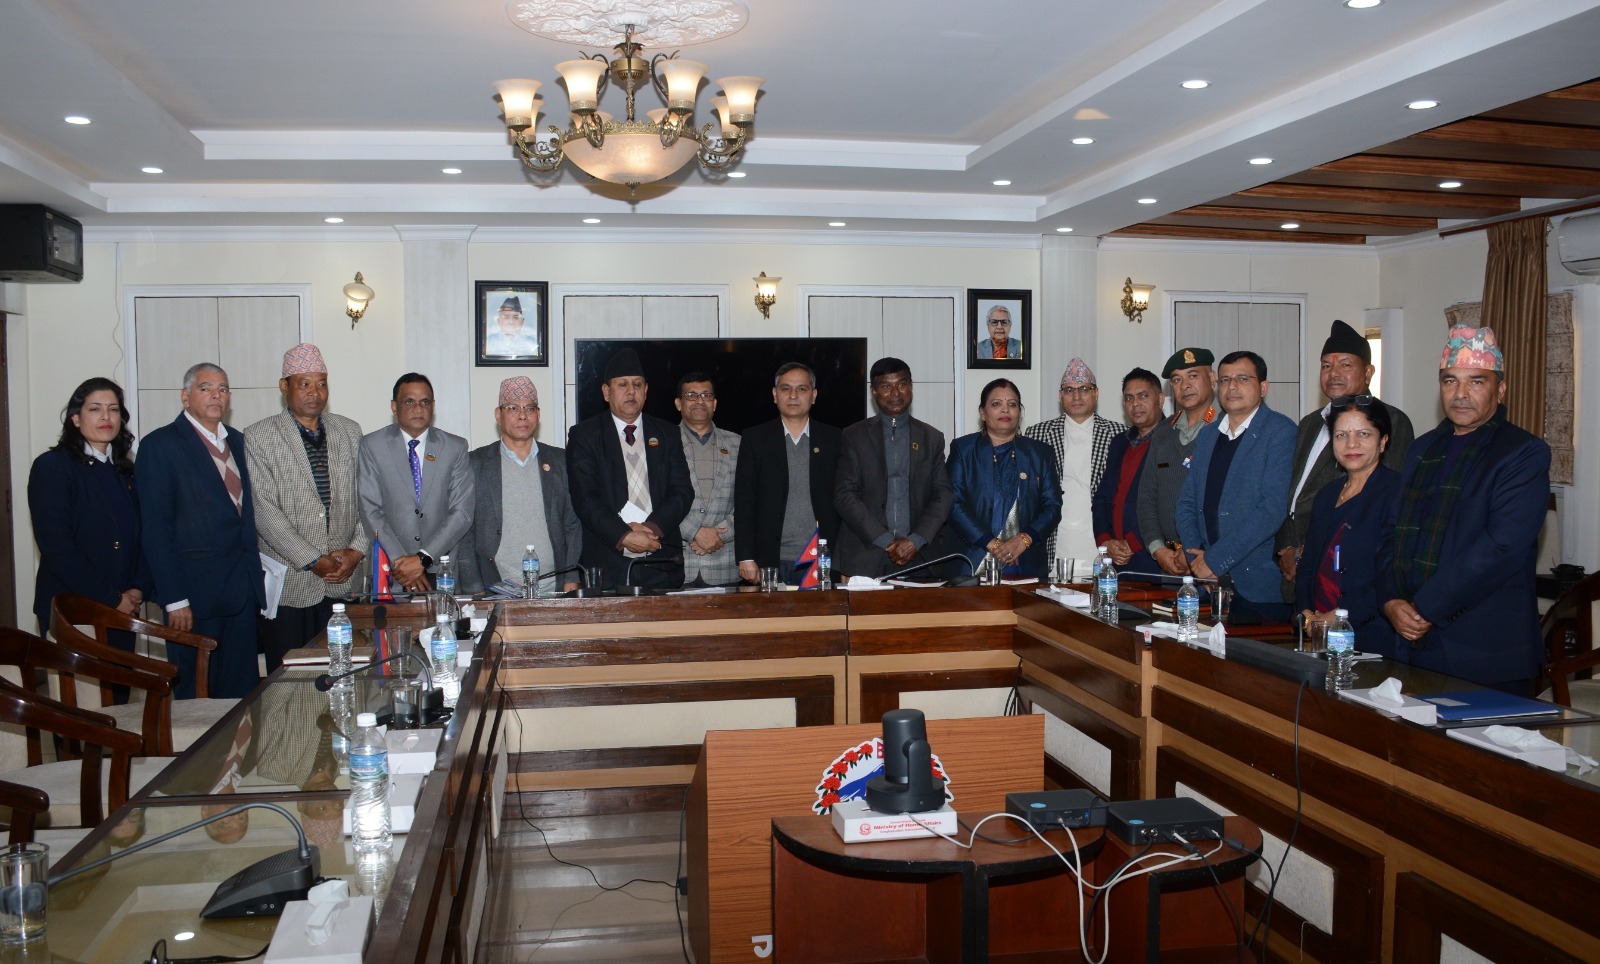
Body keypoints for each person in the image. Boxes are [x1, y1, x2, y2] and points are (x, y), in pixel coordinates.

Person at [1379, 326, 1551, 693]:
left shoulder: (1523, 453)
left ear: (1500, 390)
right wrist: (1391, 599)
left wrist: (1425, 606)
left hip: (1483, 650)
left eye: (1476, 382)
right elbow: (1391, 530)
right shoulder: (1422, 449)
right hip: (1410, 640)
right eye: (1450, 381)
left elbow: (1501, 547)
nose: (1460, 394)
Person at [136, 363, 265, 699]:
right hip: (192, 599)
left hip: (241, 592)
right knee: (196, 702)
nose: (215, 395)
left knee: (241, 699)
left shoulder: (238, 441)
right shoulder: (160, 445)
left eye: (222, 389)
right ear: (185, 396)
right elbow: (156, 529)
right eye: (205, 388)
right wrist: (174, 599)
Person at [244, 344, 366, 671]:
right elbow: (264, 512)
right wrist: (313, 560)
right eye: (305, 384)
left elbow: (368, 501)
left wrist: (355, 551)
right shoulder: (259, 436)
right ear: (284, 386)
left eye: (322, 383)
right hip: (290, 584)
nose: (315, 392)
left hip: (343, 580)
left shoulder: (350, 431)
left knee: (344, 673)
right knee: (289, 680)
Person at [1276, 320, 1413, 594]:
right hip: (1297, 572)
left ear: (1368, 372)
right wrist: (1286, 548)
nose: (1334, 373)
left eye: (1345, 365)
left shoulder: (1391, 421)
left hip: (1347, 571)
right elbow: (1292, 495)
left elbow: (1381, 502)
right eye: (1326, 366)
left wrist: (1311, 552)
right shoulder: (1310, 423)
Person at [28, 377, 152, 674]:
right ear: (75, 418)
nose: (106, 417)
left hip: (124, 610)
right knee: (81, 698)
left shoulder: (126, 471)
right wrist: (112, 598)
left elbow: (144, 536)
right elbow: (57, 547)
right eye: (95, 409)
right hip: (74, 609)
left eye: (113, 409)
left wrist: (137, 588)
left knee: (119, 694)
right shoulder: (53, 467)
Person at [1175, 351, 1297, 622]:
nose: (1232, 386)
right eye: (1225, 380)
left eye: (1243, 379)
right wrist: (1198, 559)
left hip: (1256, 588)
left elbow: (1272, 509)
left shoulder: (1280, 432)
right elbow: (1186, 503)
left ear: (1263, 387)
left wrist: (1215, 560)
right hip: (1208, 583)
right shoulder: (1208, 435)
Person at [566, 348, 695, 590]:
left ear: (646, 390)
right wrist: (624, 535)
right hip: (608, 564)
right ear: (606, 392)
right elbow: (585, 498)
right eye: (622, 384)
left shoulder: (667, 433)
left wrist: (650, 530)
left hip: (661, 559)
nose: (631, 391)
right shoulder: (585, 435)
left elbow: (682, 491)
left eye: (637, 384)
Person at [1295, 396, 1402, 658]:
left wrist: (1341, 615)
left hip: (1372, 634)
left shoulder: (1397, 492)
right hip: (1320, 632)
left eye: (1363, 434)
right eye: (1341, 435)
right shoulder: (1326, 495)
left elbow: (1393, 573)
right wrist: (1306, 614)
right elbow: (1309, 563)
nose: (1351, 444)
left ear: (1383, 441)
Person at [457, 377, 582, 594]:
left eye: (529, 408)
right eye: (513, 408)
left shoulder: (560, 461)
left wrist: (572, 576)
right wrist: (473, 587)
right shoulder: (476, 463)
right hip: (494, 589)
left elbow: (572, 524)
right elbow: (465, 531)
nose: (522, 415)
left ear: (538, 415)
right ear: (498, 415)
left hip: (554, 588)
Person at [834, 358, 952, 579]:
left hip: (920, 557)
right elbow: (844, 495)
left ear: (911, 387)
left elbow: (942, 495)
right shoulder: (854, 436)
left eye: (902, 384)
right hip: (865, 556)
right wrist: (886, 540)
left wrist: (915, 540)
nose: (895, 393)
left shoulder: (931, 438)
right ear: (874, 392)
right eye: (886, 386)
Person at [357, 373, 474, 594]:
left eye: (425, 402)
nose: (418, 409)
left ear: (433, 406)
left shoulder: (455, 447)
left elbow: (462, 512)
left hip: (440, 569)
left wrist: (422, 558)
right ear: (394, 406)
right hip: (391, 569)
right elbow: (370, 510)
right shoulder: (372, 446)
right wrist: (402, 562)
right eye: (409, 402)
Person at [735, 363, 843, 585]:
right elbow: (745, 500)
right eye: (786, 389)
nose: (793, 395)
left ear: (814, 395)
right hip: (769, 558)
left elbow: (845, 500)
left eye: (802, 389)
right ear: (775, 395)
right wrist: (745, 557)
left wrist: (846, 561)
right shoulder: (755, 439)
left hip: (821, 558)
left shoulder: (835, 439)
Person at [946, 379, 1061, 579]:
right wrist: (991, 543)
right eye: (996, 404)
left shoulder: (1041, 453)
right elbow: (953, 503)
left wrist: (1024, 539)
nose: (1005, 410)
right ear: (983, 412)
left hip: (1025, 562)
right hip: (974, 560)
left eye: (1012, 404)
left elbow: (1052, 505)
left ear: (1020, 412)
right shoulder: (963, 449)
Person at [1024, 358, 1123, 578]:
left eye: (1084, 389)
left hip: (1102, 546)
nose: (1076, 396)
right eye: (1069, 390)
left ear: (1096, 394)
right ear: (1060, 396)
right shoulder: (1037, 434)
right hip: (1054, 544)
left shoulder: (1118, 434)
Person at [1137, 348, 1219, 578]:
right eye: (1177, 380)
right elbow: (1146, 497)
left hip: (1210, 561)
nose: (1185, 386)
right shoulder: (1162, 433)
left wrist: (1193, 549)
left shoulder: (1226, 428)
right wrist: (1157, 549)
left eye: (1193, 376)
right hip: (1168, 563)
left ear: (1212, 379)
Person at [1091, 368, 1165, 580]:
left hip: (1153, 557)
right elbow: (1102, 498)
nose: (1135, 404)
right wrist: (1105, 541)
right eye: (1129, 398)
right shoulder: (1119, 442)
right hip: (1115, 560)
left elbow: (1168, 504)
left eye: (1143, 396)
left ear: (1160, 399)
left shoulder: (1173, 440)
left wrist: (1132, 543)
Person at [674, 372, 742, 587]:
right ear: (678, 403)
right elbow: (654, 499)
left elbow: (750, 501)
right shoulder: (664, 441)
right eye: (691, 395)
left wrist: (721, 534)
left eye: (706, 395)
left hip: (725, 565)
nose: (699, 401)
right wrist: (694, 532)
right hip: (676, 565)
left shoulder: (738, 444)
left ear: (715, 403)